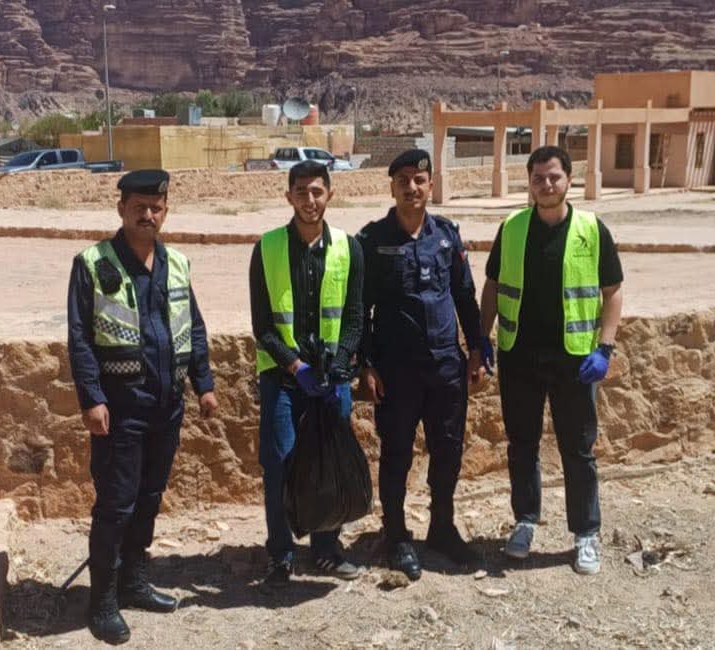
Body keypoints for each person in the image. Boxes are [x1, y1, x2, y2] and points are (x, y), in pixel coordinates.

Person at [67, 169, 219, 644]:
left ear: (166, 210)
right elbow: (79, 338)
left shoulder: (177, 264)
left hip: (167, 404)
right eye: (139, 207)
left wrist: (204, 384)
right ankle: (103, 601)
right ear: (121, 209)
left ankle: (133, 582)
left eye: (156, 207)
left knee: (150, 497)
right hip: (121, 407)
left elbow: (193, 326)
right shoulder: (93, 263)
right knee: (116, 504)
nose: (147, 215)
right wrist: (92, 398)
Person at [478, 145, 624, 575]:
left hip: (574, 360)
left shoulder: (591, 229)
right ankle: (525, 521)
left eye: (554, 177)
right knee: (522, 445)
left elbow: (612, 291)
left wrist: (605, 348)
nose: (546, 184)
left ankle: (585, 534)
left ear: (568, 180)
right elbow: (493, 285)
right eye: (538, 178)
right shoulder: (512, 228)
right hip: (519, 355)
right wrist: (482, 339)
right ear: (529, 182)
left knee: (577, 450)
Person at [358, 149, 485, 581]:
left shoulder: (447, 235)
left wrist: (477, 349)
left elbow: (465, 297)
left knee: (447, 450)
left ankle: (442, 528)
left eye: (419, 180)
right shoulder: (373, 240)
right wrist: (366, 364)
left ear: (431, 185)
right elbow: (360, 309)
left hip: (446, 366)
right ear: (392, 187)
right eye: (403, 181)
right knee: (396, 453)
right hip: (396, 370)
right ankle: (396, 535)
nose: (411, 187)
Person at [249, 160, 365, 587]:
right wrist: (295, 366)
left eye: (317, 191)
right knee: (280, 463)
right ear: (289, 196)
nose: (310, 200)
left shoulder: (349, 248)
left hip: (331, 380)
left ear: (330, 194)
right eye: (301, 192)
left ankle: (326, 549)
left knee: (327, 462)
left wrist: (340, 364)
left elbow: (355, 316)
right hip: (284, 378)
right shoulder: (266, 248)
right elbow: (263, 325)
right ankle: (280, 554)